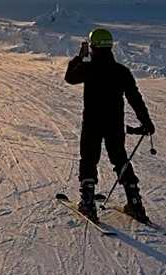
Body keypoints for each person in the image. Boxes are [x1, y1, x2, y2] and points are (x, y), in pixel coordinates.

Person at [65, 27, 155, 223]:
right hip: (114, 124)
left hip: (92, 123)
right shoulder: (121, 71)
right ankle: (135, 203)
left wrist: (80, 58)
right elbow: (135, 98)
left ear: (93, 46)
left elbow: (70, 78)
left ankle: (88, 204)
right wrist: (146, 122)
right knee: (120, 158)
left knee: (89, 159)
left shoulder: (88, 68)